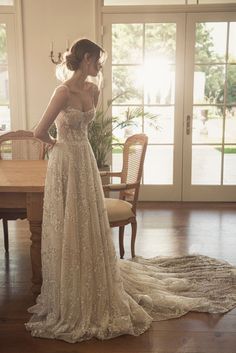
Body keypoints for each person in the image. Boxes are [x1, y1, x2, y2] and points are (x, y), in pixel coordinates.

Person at [25, 38, 236, 343]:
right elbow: (38, 132)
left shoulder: (93, 90)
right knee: (70, 220)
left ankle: (92, 273)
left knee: (87, 220)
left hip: (84, 160)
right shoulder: (62, 92)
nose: (100, 66)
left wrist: (70, 146)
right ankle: (71, 281)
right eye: (98, 61)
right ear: (86, 59)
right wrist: (57, 147)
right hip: (66, 162)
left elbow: (80, 127)